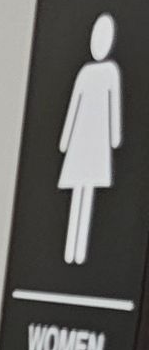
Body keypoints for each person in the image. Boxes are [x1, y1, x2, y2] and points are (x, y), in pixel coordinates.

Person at [59, 14, 123, 265]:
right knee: (78, 191)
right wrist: (65, 141)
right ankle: (71, 251)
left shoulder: (110, 72)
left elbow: (113, 107)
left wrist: (115, 138)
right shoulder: (86, 73)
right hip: (81, 141)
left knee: (87, 193)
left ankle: (78, 253)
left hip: (95, 142)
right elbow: (74, 106)